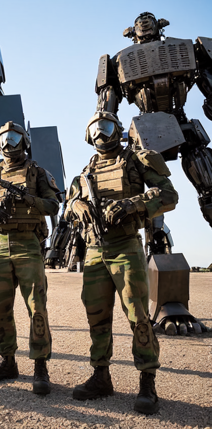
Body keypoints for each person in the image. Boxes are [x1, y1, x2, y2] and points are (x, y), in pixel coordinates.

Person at [65, 111, 178, 414]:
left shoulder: (138, 160)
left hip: (125, 246)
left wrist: (132, 204)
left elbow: (169, 195)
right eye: (95, 129)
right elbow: (66, 208)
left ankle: (147, 381)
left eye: (107, 127)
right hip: (93, 251)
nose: (101, 134)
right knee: (96, 316)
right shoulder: (85, 171)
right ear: (89, 136)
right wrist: (76, 205)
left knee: (138, 315)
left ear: (118, 129)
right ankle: (101, 376)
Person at [0, 121, 61, 395]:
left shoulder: (37, 173)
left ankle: (40, 367)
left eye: (15, 137)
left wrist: (28, 199)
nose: (9, 143)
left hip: (28, 244)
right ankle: (7, 362)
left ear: (25, 141)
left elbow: (54, 205)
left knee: (36, 307)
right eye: (4, 138)